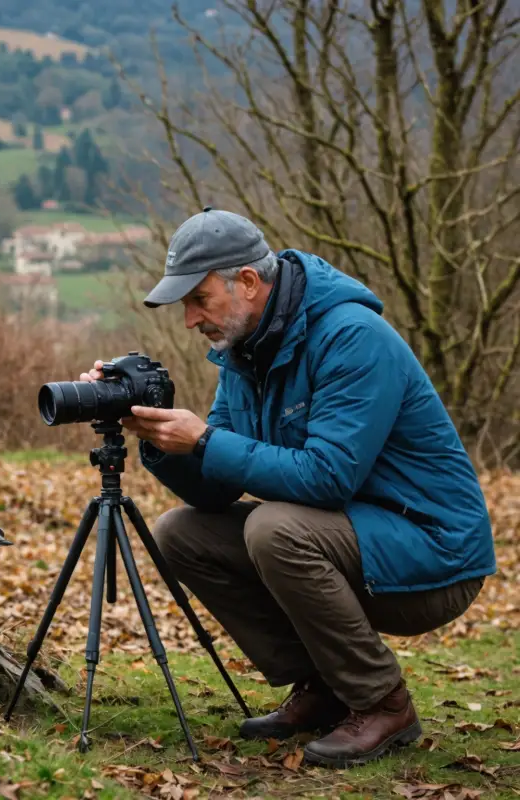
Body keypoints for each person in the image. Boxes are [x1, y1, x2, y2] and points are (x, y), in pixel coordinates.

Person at [78, 207, 496, 768]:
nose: (189, 319)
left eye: (199, 299)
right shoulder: (243, 354)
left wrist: (203, 441)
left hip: (434, 556)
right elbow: (215, 494)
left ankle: (382, 702)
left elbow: (327, 478)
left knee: (275, 529)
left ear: (247, 282)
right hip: (353, 539)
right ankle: (322, 688)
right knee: (180, 532)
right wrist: (155, 434)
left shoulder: (351, 337)